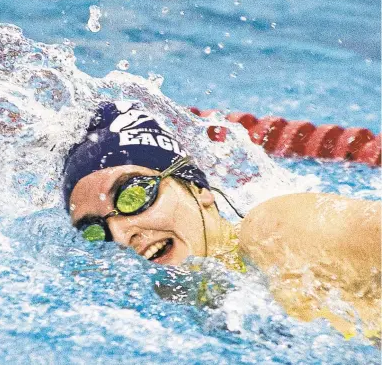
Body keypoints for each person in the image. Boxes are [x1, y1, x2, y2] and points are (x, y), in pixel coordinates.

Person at [63, 101, 381, 340]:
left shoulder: (276, 230)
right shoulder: (180, 308)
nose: (119, 234)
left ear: (198, 189)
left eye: (132, 196)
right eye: (95, 230)